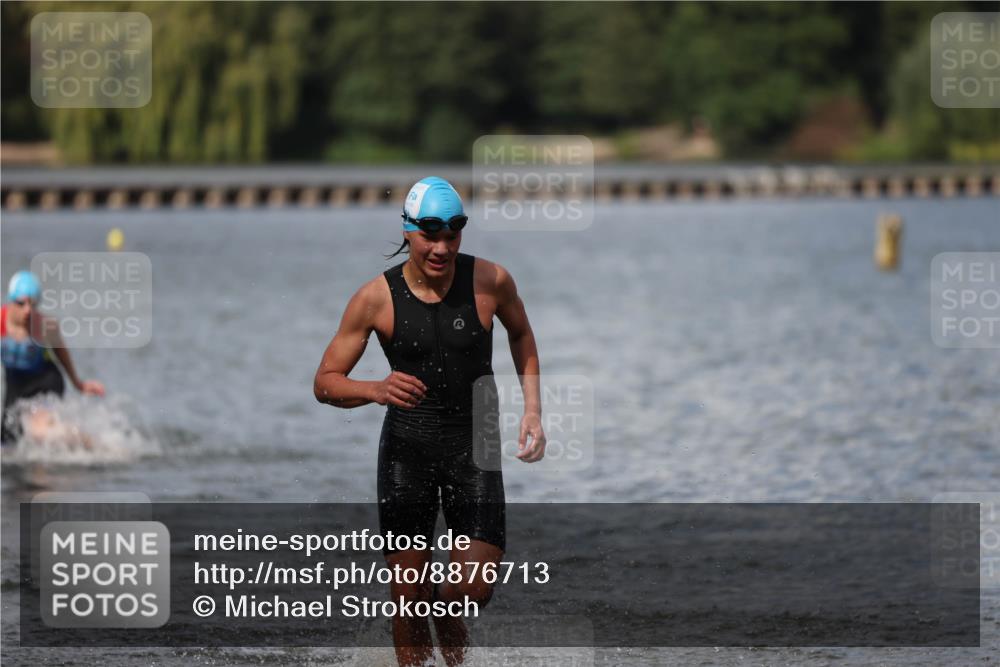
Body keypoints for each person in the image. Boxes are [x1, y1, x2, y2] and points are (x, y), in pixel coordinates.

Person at [314, 176, 545, 666]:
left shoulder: (491, 281)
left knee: (473, 587)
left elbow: (521, 334)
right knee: (408, 594)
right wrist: (375, 389)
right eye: (430, 235)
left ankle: (443, 612)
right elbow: (326, 382)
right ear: (408, 230)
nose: (441, 248)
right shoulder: (375, 299)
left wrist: (533, 410)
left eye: (452, 235)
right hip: (407, 451)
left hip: (475, 444)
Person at [2, 270, 105, 446]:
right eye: (21, 303)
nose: (27, 310)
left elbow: (62, 354)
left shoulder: (45, 326)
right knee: (7, 440)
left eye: (33, 304)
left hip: (45, 381)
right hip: (16, 384)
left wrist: (78, 383)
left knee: (40, 430)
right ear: (11, 301)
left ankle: (90, 445)